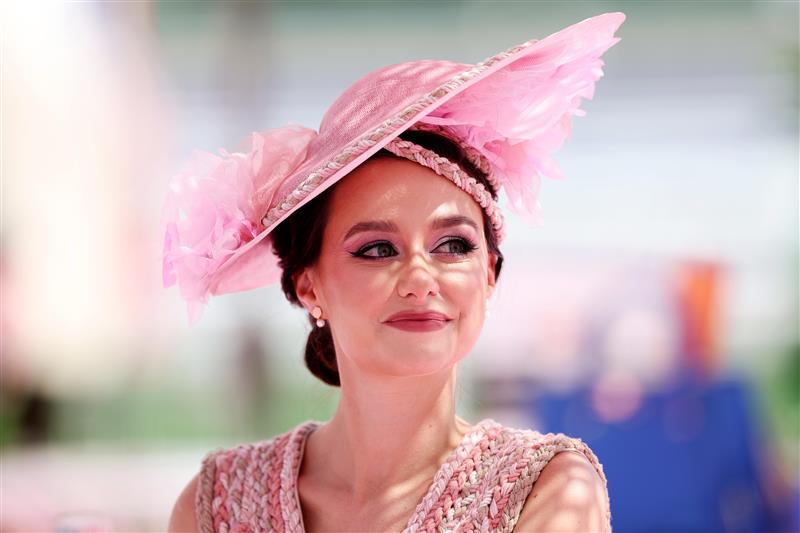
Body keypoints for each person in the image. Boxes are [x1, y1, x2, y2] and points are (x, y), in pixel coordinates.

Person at [164, 12, 625, 532]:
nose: (420, 277)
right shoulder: (217, 501)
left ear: (490, 275)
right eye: (378, 249)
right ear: (307, 284)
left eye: (453, 245)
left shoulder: (548, 487)